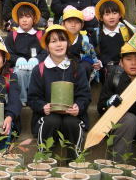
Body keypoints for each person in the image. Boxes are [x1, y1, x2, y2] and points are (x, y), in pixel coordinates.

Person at [27, 25, 91, 156]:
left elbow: (85, 95)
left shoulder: (76, 68)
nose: (59, 44)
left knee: (72, 122)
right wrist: (42, 107)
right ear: (47, 46)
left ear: (67, 43)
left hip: (71, 115)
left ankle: (75, 161)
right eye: (53, 41)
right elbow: (32, 98)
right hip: (47, 116)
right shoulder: (39, 69)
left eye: (62, 40)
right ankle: (43, 160)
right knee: (51, 120)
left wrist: (78, 107)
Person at [4, 2, 47, 106]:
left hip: (36, 64)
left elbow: (46, 51)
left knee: (36, 72)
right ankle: (22, 98)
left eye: (28, 17)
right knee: (20, 73)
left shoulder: (41, 34)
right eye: (21, 17)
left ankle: (34, 98)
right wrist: (17, 59)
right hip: (18, 66)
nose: (24, 20)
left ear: (34, 19)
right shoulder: (12, 35)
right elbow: (7, 52)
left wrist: (37, 60)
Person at [94, 0, 133, 82]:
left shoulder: (126, 31)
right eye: (107, 14)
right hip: (105, 68)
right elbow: (93, 51)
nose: (111, 17)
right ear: (101, 18)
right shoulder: (97, 33)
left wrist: (125, 61)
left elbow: (133, 49)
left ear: (119, 15)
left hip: (124, 65)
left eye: (114, 13)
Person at [61, 8, 100, 81]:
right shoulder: (59, 39)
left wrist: (96, 62)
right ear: (63, 24)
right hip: (62, 65)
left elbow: (92, 55)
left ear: (82, 25)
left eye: (77, 22)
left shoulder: (86, 39)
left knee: (86, 66)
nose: (73, 25)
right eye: (69, 22)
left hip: (81, 66)